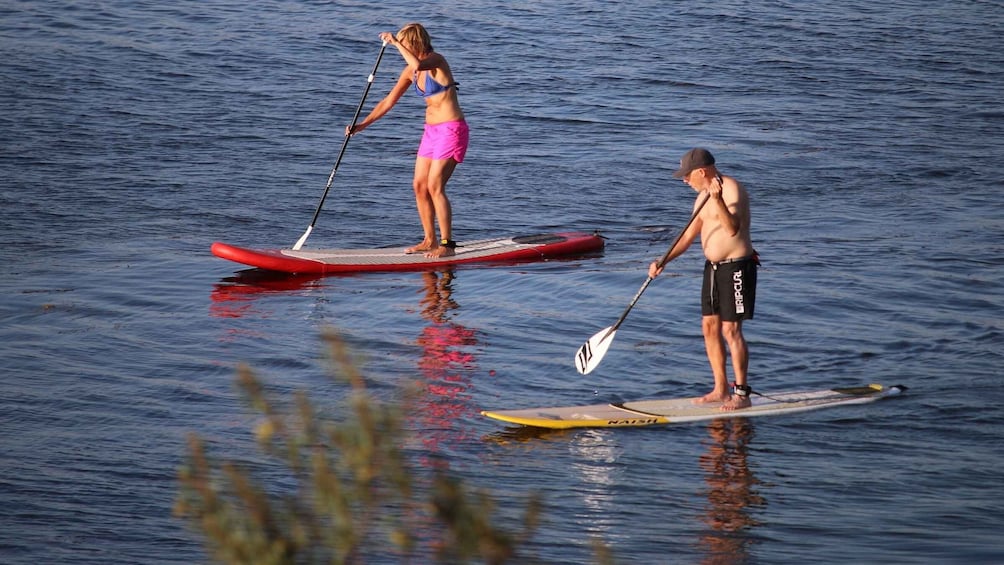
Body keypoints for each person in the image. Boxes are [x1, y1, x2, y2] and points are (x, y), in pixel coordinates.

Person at [648, 148, 758, 411]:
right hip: (712, 268)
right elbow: (686, 238)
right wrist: (662, 261)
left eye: (687, 176)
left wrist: (717, 199)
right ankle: (720, 389)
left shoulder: (732, 191)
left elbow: (732, 231)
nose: (685, 181)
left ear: (701, 171)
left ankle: (741, 393)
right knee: (709, 327)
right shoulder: (700, 199)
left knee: (731, 331)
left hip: (737, 268)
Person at [346, 23, 469, 258]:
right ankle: (428, 240)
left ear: (414, 43)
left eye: (404, 43)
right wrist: (362, 125)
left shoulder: (436, 60)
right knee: (419, 186)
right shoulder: (409, 72)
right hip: (431, 132)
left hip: (452, 130)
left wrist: (394, 42)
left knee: (435, 186)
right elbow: (388, 102)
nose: (401, 47)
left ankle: (447, 245)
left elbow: (419, 63)